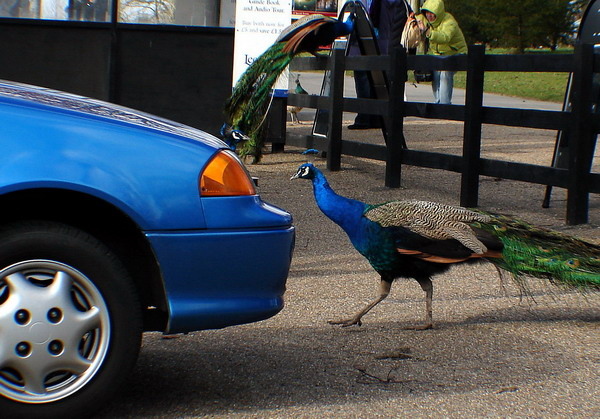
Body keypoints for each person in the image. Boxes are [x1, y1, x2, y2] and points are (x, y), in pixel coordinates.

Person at [348, 0, 412, 130]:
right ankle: (376, 117)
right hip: (382, 45)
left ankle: (366, 117)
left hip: (371, 44)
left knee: (365, 81)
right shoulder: (397, 3)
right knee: (376, 82)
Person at [415, 0, 467, 104]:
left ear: (438, 12)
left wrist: (428, 32)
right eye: (427, 13)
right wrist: (414, 18)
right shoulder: (425, 20)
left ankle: (445, 104)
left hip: (456, 54)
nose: (429, 16)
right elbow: (418, 17)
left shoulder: (449, 22)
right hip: (439, 55)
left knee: (445, 72)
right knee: (435, 73)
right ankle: (438, 102)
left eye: (432, 13)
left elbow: (445, 37)